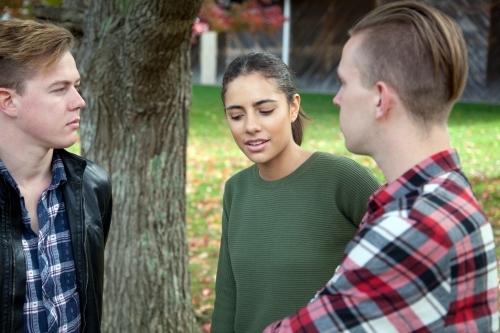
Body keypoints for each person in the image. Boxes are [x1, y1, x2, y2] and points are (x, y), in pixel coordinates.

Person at [264, 1, 499, 332]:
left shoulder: (414, 226)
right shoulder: (442, 192)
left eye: (344, 82)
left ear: (380, 99)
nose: (337, 98)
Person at [210, 52, 381, 333]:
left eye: (265, 110)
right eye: (237, 115)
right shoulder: (236, 190)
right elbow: (228, 299)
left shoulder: (343, 180)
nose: (251, 126)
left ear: (292, 107)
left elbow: (396, 275)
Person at [0, 19, 112, 333]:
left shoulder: (92, 185)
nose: (79, 101)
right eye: (59, 89)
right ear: (8, 101)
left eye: (75, 86)